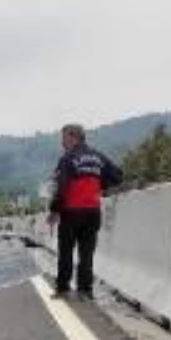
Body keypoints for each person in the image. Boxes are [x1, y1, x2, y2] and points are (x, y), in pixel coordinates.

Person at [49, 124, 123, 300]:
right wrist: (99, 185)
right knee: (86, 253)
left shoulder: (68, 158)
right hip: (92, 212)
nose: (62, 142)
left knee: (66, 251)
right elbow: (118, 176)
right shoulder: (98, 157)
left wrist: (54, 210)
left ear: (74, 137)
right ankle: (85, 290)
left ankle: (63, 289)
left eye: (64, 137)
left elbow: (62, 188)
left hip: (71, 211)